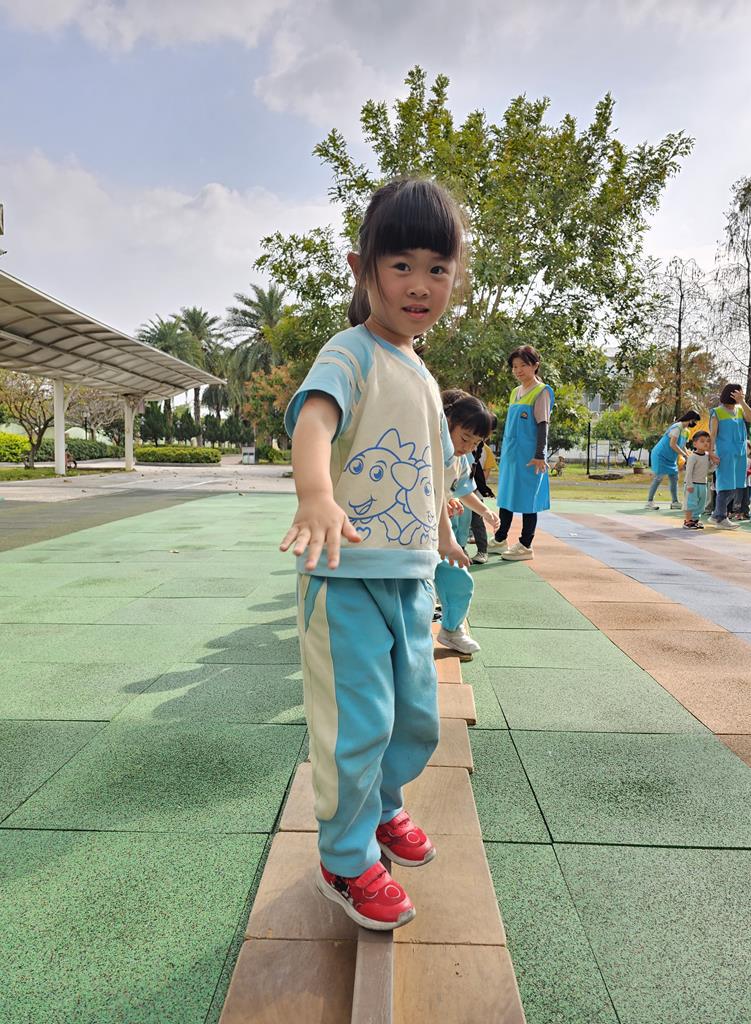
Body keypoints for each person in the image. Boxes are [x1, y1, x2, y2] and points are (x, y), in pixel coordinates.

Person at [280, 177, 470, 932]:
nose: (420, 285)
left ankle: (385, 807)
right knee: (356, 723)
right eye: (401, 266)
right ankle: (344, 857)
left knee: (415, 717)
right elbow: (315, 422)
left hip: (409, 578)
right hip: (345, 578)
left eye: (437, 269)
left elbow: (435, 467)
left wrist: (444, 536)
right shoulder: (350, 353)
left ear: (456, 278)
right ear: (364, 270)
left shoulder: (422, 374)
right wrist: (315, 494)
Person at [434, 391, 500, 655]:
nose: (468, 447)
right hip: (415, 533)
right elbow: (431, 491)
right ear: (447, 421)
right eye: (465, 438)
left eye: (476, 443)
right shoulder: (428, 448)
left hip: (439, 532)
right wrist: (445, 502)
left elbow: (462, 489)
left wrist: (484, 511)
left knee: (459, 578)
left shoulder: (460, 460)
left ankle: (451, 629)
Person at [488, 344, 554, 561]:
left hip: (530, 458)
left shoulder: (541, 391)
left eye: (523, 365)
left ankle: (526, 545)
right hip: (511, 455)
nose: (518, 370)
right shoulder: (515, 392)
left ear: (535, 365)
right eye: (514, 366)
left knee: (528, 501)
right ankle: (500, 538)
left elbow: (543, 425)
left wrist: (539, 455)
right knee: (506, 496)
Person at [709, 384, 751, 529]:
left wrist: (742, 401)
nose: (741, 395)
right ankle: (720, 517)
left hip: (740, 453)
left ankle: (716, 515)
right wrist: (711, 452)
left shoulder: (740, 409)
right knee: (726, 486)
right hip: (725, 453)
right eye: (739, 393)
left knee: (736, 486)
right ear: (731, 393)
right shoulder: (717, 412)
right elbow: (713, 434)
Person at [645, 410, 700, 510]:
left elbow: (682, 446)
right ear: (690, 419)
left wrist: (689, 455)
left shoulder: (686, 431)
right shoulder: (677, 427)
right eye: (695, 421)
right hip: (660, 455)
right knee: (659, 477)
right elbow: (672, 444)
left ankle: (675, 502)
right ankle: (649, 502)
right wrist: (685, 456)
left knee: (674, 477)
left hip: (671, 458)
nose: (695, 423)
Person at [469, 433, 497, 565]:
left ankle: (482, 551)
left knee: (477, 522)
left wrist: (474, 487)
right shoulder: (463, 445)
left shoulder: (486, 451)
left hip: (475, 494)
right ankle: (460, 548)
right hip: (459, 493)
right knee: (459, 523)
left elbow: (485, 473)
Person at [682, 430, 715, 530]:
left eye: (708, 441)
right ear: (695, 444)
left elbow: (709, 469)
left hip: (703, 483)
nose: (706, 443)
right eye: (702, 441)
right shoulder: (692, 457)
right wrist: (689, 484)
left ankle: (695, 520)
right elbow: (688, 472)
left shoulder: (707, 456)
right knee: (690, 503)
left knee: (701, 504)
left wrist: (715, 463)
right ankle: (688, 521)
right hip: (692, 484)